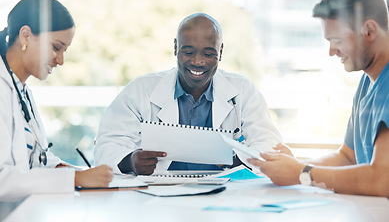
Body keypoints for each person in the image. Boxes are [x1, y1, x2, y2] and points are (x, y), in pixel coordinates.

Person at [94, 13, 283, 175]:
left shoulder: (243, 91)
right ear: (176, 47)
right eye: (188, 52)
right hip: (158, 190)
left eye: (208, 54)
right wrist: (130, 161)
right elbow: (108, 145)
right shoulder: (140, 90)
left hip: (224, 191)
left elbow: (269, 144)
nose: (198, 62)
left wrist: (237, 160)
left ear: (221, 51)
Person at [248, 0, 389, 197]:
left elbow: (381, 180)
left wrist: (301, 173)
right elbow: (347, 157)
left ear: (369, 30)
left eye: (337, 40)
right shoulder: (367, 82)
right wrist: (293, 166)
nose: (332, 52)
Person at [0, 0, 113, 201]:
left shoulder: (21, 91)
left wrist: (69, 169)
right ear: (26, 35)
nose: (60, 60)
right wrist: (75, 178)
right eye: (56, 47)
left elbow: (36, 157)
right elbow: (2, 179)